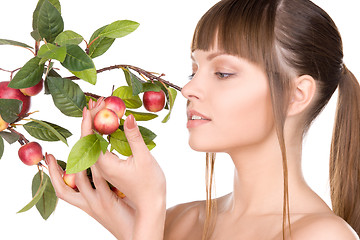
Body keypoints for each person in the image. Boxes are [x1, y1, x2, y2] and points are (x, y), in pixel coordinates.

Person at [46, 0, 360, 239]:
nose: (190, 89)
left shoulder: (322, 235)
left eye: (223, 73)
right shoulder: (182, 222)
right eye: (194, 70)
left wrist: (150, 212)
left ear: (296, 94)